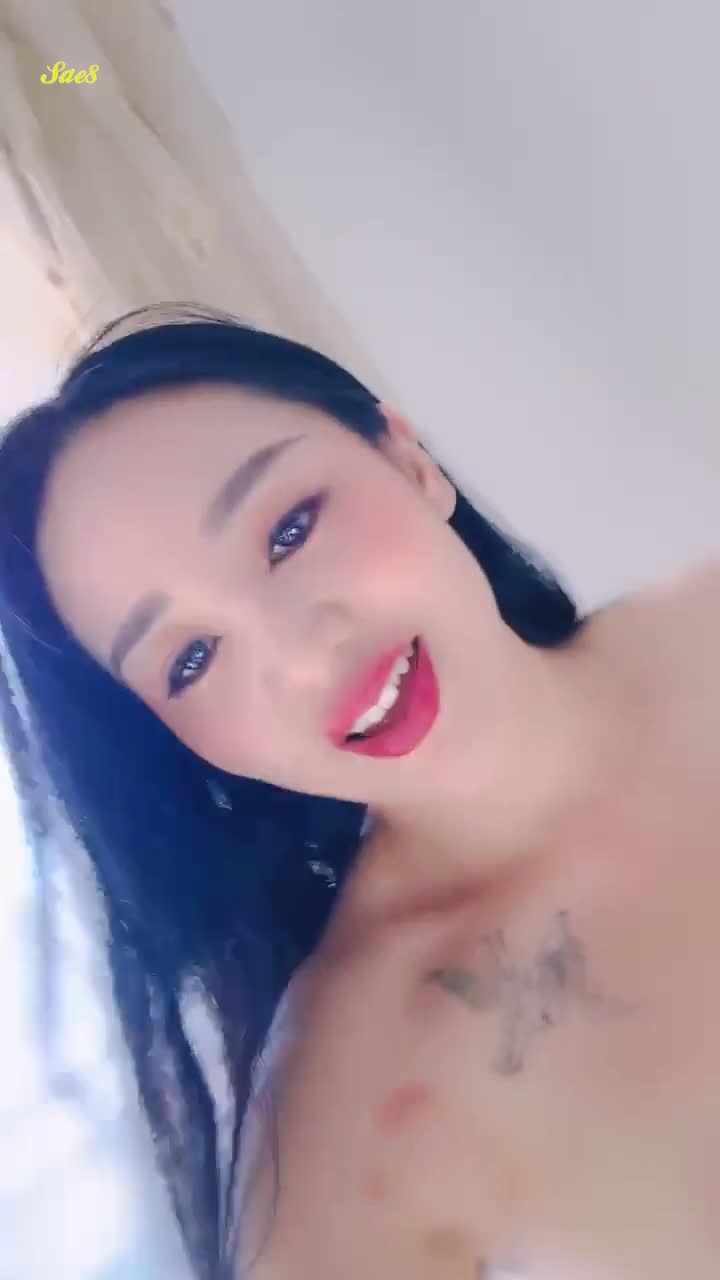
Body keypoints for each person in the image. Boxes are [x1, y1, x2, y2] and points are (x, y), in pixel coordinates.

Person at [0, 303, 717, 1280]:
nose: (304, 656)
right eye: (193, 657)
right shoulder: (348, 1126)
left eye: (289, 529)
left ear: (407, 459)